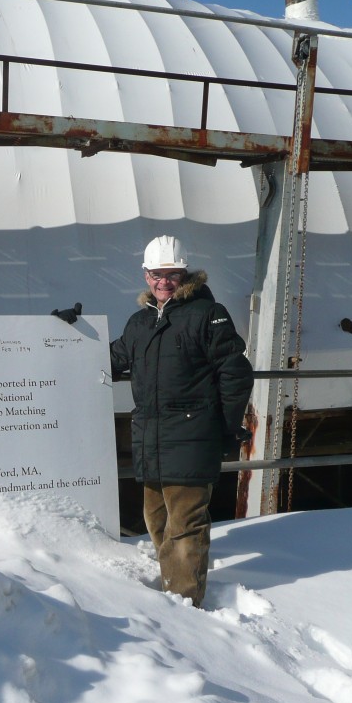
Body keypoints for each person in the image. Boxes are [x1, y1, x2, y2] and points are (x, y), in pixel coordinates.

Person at [108, 235, 253, 607]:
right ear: (146, 275)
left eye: (171, 274)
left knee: (185, 523)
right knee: (155, 518)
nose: (163, 282)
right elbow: (111, 358)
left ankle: (184, 605)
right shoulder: (140, 323)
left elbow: (235, 372)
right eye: (157, 274)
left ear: (184, 274)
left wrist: (225, 425)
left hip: (191, 435)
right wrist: (70, 336)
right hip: (152, 438)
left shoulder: (207, 314)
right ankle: (172, 584)